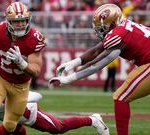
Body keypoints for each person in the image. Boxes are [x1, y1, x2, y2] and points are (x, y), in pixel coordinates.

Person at [49, 3, 150, 135]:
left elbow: (97, 64)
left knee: (121, 97)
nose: (100, 31)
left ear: (113, 22)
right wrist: (74, 63)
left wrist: (69, 78)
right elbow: (97, 50)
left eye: (103, 28)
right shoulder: (125, 27)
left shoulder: (118, 35)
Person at [0, 2, 46, 134]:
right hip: (1, 77)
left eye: (24, 20)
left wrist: (22, 63)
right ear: (8, 22)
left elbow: (35, 71)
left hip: (20, 85)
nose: (21, 24)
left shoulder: (35, 39)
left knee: (11, 125)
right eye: (16, 21)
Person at [0, 74, 109, 135]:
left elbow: (36, 96)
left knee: (58, 128)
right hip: (10, 121)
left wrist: (19, 99)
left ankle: (93, 119)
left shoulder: (4, 95)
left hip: (26, 112)